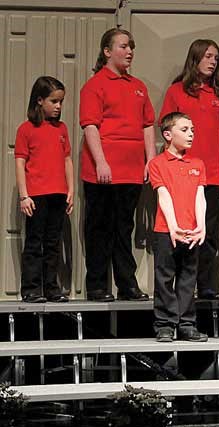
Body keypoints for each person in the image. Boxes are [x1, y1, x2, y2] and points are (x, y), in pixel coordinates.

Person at [80, 27, 156, 302]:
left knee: (124, 228)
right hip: (103, 171)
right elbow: (90, 125)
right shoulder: (95, 85)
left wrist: (149, 160)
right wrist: (101, 162)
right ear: (107, 51)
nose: (129, 51)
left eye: (131, 47)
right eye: (123, 46)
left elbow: (148, 124)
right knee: (99, 228)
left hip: (131, 171)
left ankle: (127, 285)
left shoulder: (138, 86)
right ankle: (98, 286)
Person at [160, 39, 219, 300]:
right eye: (207, 56)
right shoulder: (177, 91)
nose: (212, 61)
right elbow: (167, 132)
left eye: (216, 56)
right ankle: (179, 290)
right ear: (195, 58)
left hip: (214, 174)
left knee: (209, 233)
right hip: (181, 174)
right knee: (179, 229)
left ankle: (205, 285)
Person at [149, 112, 207, 343]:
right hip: (166, 230)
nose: (190, 133)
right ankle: (164, 324)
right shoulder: (158, 163)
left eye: (192, 129)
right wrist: (173, 227)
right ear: (167, 135)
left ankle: (186, 324)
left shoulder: (197, 163)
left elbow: (200, 197)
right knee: (164, 278)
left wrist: (201, 226)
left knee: (187, 279)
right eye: (184, 130)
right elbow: (163, 195)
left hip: (191, 231)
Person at [15, 76, 73, 303]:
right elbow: (20, 162)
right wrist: (24, 195)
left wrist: (70, 190)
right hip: (36, 194)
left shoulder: (62, 129)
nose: (58, 107)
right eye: (54, 101)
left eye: (60, 102)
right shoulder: (26, 129)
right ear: (39, 101)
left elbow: (67, 159)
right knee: (34, 242)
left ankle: (51, 288)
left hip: (58, 193)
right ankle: (30, 289)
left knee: (52, 242)